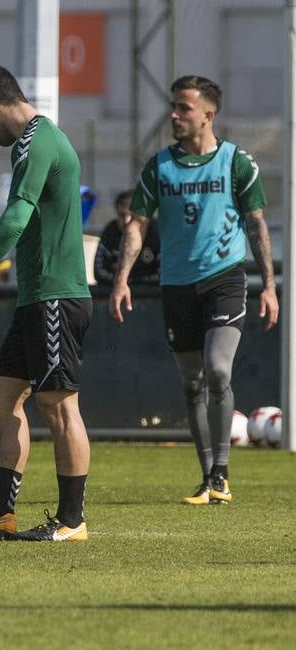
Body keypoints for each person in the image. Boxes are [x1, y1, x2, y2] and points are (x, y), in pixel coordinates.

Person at [109, 75, 278, 505]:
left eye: (184, 107)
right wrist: (122, 279)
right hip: (176, 287)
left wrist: (270, 286)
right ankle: (207, 477)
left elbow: (257, 224)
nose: (174, 115)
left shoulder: (237, 163)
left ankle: (221, 473)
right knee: (192, 383)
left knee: (219, 370)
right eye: (174, 106)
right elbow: (137, 228)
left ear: (208, 113)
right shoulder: (159, 167)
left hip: (225, 279)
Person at [0, 67, 93, 542]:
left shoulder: (36, 141)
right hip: (36, 298)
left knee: (59, 407)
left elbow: (14, 219)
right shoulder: (36, 141)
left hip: (56, 296)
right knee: (2, 398)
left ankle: (72, 522)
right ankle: (0, 515)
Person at [93, 190, 160, 286]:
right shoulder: (111, 231)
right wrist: (122, 283)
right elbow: (99, 272)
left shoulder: (156, 231)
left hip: (153, 294)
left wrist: (135, 282)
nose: (126, 220)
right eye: (122, 215)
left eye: (132, 216)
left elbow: (165, 273)